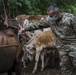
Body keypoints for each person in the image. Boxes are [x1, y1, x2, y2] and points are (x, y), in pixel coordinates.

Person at [19, 5, 76, 75]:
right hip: (62, 49)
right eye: (49, 16)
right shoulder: (50, 20)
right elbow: (38, 24)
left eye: (51, 16)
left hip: (73, 47)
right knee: (65, 69)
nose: (50, 18)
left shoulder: (71, 19)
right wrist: (25, 28)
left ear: (58, 13)